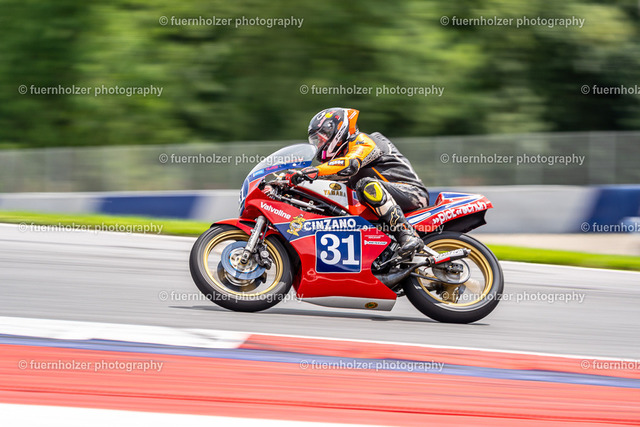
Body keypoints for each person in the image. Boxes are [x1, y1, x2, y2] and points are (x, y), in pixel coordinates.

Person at [290, 107, 429, 257]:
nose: (319, 145)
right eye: (316, 141)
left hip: (411, 193)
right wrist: (291, 181)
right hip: (385, 200)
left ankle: (407, 234)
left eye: (321, 139)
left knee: (366, 185)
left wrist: (314, 171)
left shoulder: (364, 141)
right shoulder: (339, 158)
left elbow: (350, 164)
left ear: (336, 130)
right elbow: (325, 180)